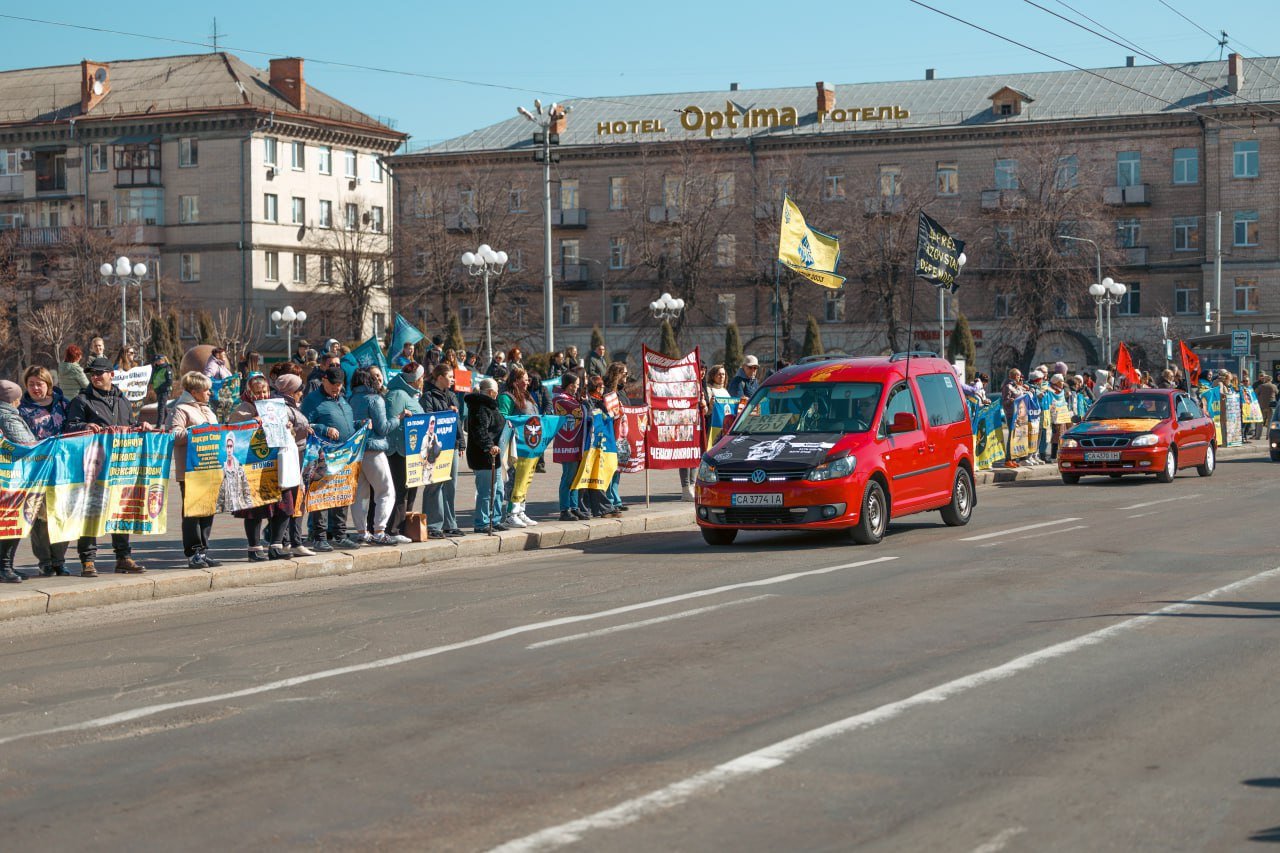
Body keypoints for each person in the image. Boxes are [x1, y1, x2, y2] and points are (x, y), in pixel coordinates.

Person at [64, 356, 149, 575]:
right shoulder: (81, 401)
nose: (95, 377)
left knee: (120, 511)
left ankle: (123, 557)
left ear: (111, 374)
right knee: (90, 511)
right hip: (92, 467)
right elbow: (69, 427)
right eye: (92, 374)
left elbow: (129, 425)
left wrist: (141, 427)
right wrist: (84, 426)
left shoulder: (122, 400)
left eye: (99, 373)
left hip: (120, 467)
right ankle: (88, 560)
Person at [300, 365, 363, 551]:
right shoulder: (313, 400)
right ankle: (319, 536)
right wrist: (324, 429)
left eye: (339, 384)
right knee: (321, 495)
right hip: (323, 457)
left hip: (344, 456)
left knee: (341, 494)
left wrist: (359, 424)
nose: (336, 387)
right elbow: (305, 424)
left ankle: (340, 535)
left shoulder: (342, 399)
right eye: (333, 384)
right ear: (324, 380)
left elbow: (346, 423)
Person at [16, 367, 70, 576]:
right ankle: (45, 560)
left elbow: (75, 427)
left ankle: (59, 560)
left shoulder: (63, 404)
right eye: (31, 384)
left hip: (64, 468)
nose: (35, 388)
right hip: (36, 470)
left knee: (62, 512)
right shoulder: (22, 409)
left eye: (39, 384)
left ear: (48, 384)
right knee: (39, 516)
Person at [170, 371, 223, 568]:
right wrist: (196, 432)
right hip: (191, 470)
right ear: (194, 391)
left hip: (210, 467)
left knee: (207, 510)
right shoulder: (181, 409)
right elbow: (174, 435)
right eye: (206, 390)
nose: (210, 393)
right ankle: (193, 552)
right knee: (193, 513)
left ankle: (204, 550)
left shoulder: (207, 409)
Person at [348, 365, 406, 545]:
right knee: (386, 491)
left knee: (360, 494)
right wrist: (399, 418)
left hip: (355, 452)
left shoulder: (350, 399)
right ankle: (380, 531)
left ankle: (362, 532)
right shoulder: (374, 399)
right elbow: (383, 428)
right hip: (374, 450)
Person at [270, 373, 314, 557]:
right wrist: (298, 429)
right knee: (288, 501)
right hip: (289, 457)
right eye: (298, 390)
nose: (301, 393)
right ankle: (284, 541)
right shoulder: (280, 408)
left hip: (298, 454)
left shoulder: (292, 406)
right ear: (290, 391)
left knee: (296, 500)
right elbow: (279, 433)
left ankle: (292, 540)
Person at [421, 364, 464, 538]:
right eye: (450, 376)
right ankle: (433, 524)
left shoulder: (452, 396)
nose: (453, 380)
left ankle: (450, 524)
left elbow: (457, 421)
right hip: (435, 447)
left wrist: (461, 442)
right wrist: (446, 412)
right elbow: (428, 419)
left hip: (451, 445)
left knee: (450, 485)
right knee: (435, 484)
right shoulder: (428, 396)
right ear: (439, 377)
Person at [384, 361, 425, 538]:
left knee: (409, 491)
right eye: (421, 377)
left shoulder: (410, 394)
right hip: (398, 451)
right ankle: (393, 530)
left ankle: (403, 528)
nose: (423, 380)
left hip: (411, 451)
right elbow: (391, 422)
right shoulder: (397, 395)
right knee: (400, 491)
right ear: (415, 379)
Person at [0, 381, 35, 583]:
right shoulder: (8, 417)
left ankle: (7, 566)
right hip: (12, 479)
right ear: (13, 400)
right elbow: (26, 444)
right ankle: (4, 567)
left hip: (8, 478)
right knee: (11, 523)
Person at [497, 366, 539, 528]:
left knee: (524, 479)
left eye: (528, 380)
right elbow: (503, 418)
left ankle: (520, 510)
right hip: (514, 446)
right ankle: (511, 514)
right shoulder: (506, 397)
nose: (527, 382)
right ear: (515, 381)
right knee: (514, 480)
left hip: (528, 445)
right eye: (525, 380)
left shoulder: (526, 395)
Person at [465, 377, 507, 533]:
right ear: (490, 392)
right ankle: (481, 523)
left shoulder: (490, 406)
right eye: (496, 392)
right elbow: (480, 431)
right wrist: (489, 446)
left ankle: (494, 520)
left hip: (494, 456)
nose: (497, 394)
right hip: (483, 456)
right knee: (486, 492)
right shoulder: (480, 407)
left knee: (498, 490)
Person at [552, 373, 588, 521]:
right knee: (568, 476)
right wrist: (584, 405)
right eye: (574, 385)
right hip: (567, 444)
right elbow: (578, 410)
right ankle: (564, 509)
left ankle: (574, 507)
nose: (576, 388)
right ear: (568, 385)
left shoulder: (573, 399)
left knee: (576, 477)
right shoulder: (560, 399)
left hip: (577, 443)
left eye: (578, 385)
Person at [1000, 367, 1025, 470]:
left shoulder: (1016, 386)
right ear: (1014, 376)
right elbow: (1004, 402)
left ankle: (1013, 459)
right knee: (1011, 436)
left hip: (1019, 415)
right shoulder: (1007, 386)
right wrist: (1010, 400)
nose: (1020, 377)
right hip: (1011, 415)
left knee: (1016, 437)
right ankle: (1008, 460)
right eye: (1018, 375)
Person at [1254, 373, 1278, 439]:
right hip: (1271, 405)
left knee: (1260, 421)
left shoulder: (1261, 386)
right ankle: (1268, 436)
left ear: (1266, 380)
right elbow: (1277, 393)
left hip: (1262, 405)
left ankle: (1258, 436)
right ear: (1271, 380)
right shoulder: (1274, 386)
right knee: (1270, 421)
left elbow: (1255, 392)